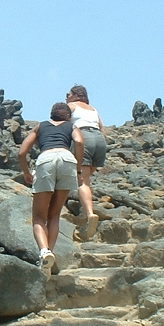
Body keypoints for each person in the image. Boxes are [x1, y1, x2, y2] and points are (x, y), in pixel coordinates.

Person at [19, 102, 84, 276]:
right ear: (67, 116)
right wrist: (78, 170)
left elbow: (21, 152)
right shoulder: (72, 126)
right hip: (67, 160)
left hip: (46, 159)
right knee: (54, 215)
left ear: (51, 114)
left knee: (39, 217)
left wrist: (26, 172)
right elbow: (78, 141)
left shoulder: (41, 126)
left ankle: (44, 252)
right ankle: (49, 256)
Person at [66, 84, 107, 239]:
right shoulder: (93, 109)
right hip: (99, 140)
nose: (66, 97)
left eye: (68, 94)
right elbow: (103, 129)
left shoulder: (71, 106)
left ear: (76, 95)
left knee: (83, 181)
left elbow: (61, 123)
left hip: (83, 137)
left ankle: (89, 215)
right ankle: (85, 208)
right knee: (86, 177)